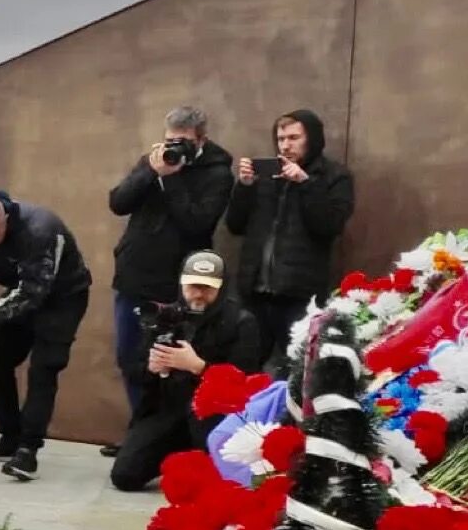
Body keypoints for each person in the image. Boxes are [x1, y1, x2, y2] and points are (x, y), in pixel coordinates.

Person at [0, 192, 92, 482]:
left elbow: (33, 291)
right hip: (20, 291)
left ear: (5, 221)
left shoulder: (41, 230)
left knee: (43, 369)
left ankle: (28, 450)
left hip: (62, 299)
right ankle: (10, 437)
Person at [105, 105, 233, 427]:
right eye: (169, 140)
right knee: (129, 358)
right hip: (134, 275)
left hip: (176, 284)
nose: (174, 148)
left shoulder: (218, 174)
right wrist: (151, 172)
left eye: (183, 142)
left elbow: (198, 225)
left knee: (168, 363)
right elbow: (118, 203)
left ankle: (162, 437)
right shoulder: (155, 161)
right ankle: (140, 428)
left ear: (201, 139)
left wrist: (172, 181)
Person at [109, 252, 261, 491]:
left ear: (220, 288)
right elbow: (134, 372)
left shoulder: (241, 322)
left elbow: (247, 382)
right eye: (193, 287)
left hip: (213, 416)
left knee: (209, 486)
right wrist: (153, 368)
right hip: (168, 410)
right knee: (125, 475)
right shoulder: (166, 317)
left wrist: (198, 366)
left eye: (207, 288)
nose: (199, 294)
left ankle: (203, 458)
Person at [225, 108, 356, 367]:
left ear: (313, 139)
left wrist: (305, 184)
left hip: (299, 296)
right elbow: (235, 225)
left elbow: (329, 226)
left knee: (297, 369)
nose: (285, 145)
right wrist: (245, 187)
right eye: (281, 139)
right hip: (255, 293)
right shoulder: (265, 174)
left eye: (293, 138)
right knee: (244, 368)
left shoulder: (334, 176)